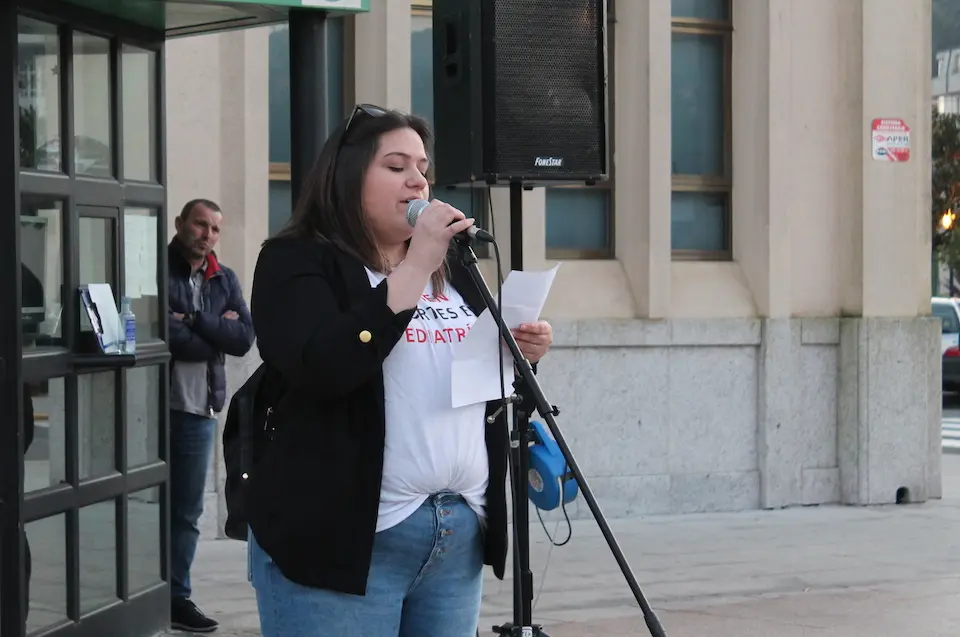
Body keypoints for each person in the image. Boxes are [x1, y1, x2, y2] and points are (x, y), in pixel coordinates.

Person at [246, 104, 555, 637]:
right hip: (344, 538)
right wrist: (415, 267)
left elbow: (470, 378)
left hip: (455, 532)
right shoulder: (295, 261)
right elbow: (324, 367)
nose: (417, 180)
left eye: (422, 168)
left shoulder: (452, 267)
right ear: (347, 176)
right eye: (395, 166)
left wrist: (520, 350)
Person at [168, 199, 255, 632]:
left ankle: (176, 598)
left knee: (186, 513)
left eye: (215, 229)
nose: (207, 235)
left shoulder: (224, 277)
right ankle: (144, 593)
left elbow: (242, 339)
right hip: (156, 404)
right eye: (200, 225)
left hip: (199, 409)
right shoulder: (157, 269)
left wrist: (192, 318)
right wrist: (212, 329)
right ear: (180, 223)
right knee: (149, 511)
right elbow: (169, 338)